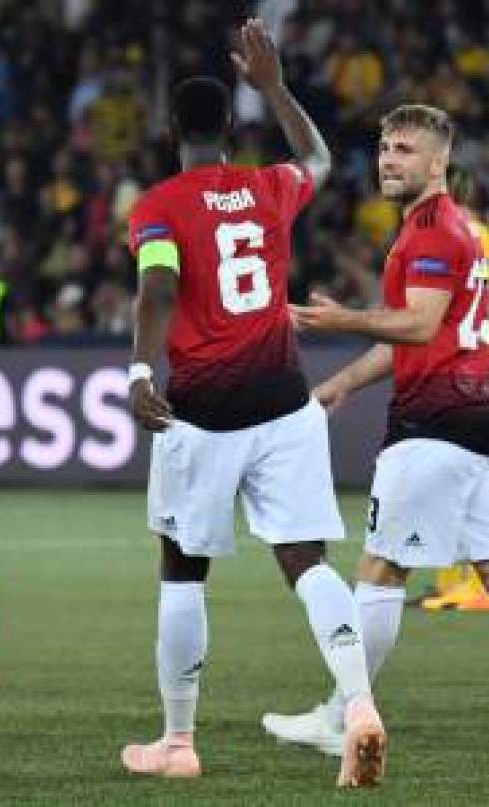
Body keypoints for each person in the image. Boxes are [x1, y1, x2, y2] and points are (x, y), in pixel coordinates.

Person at [268, 104, 489, 762]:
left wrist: (339, 322)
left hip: (435, 424)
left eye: (406, 149)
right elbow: (418, 333)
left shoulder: (434, 232)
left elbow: (416, 325)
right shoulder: (442, 228)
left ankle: (341, 714)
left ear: (440, 161)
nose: (389, 159)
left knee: (381, 569)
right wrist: (341, 384)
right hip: (478, 418)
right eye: (385, 147)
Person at [120, 19, 385, 788]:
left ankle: (178, 742)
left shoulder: (159, 206)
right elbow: (321, 158)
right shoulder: (269, 186)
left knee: (182, 567)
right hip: (284, 399)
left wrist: (140, 372)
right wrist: (274, 86)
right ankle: (360, 705)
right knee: (306, 560)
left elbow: (159, 287)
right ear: (233, 127)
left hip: (203, 411)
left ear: (173, 131)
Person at [417, 165, 489, 614]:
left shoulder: (453, 232)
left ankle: (471, 583)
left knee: (456, 482)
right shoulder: (482, 234)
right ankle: (451, 580)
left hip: (465, 360)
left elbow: (476, 302)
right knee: (450, 480)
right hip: (481, 356)